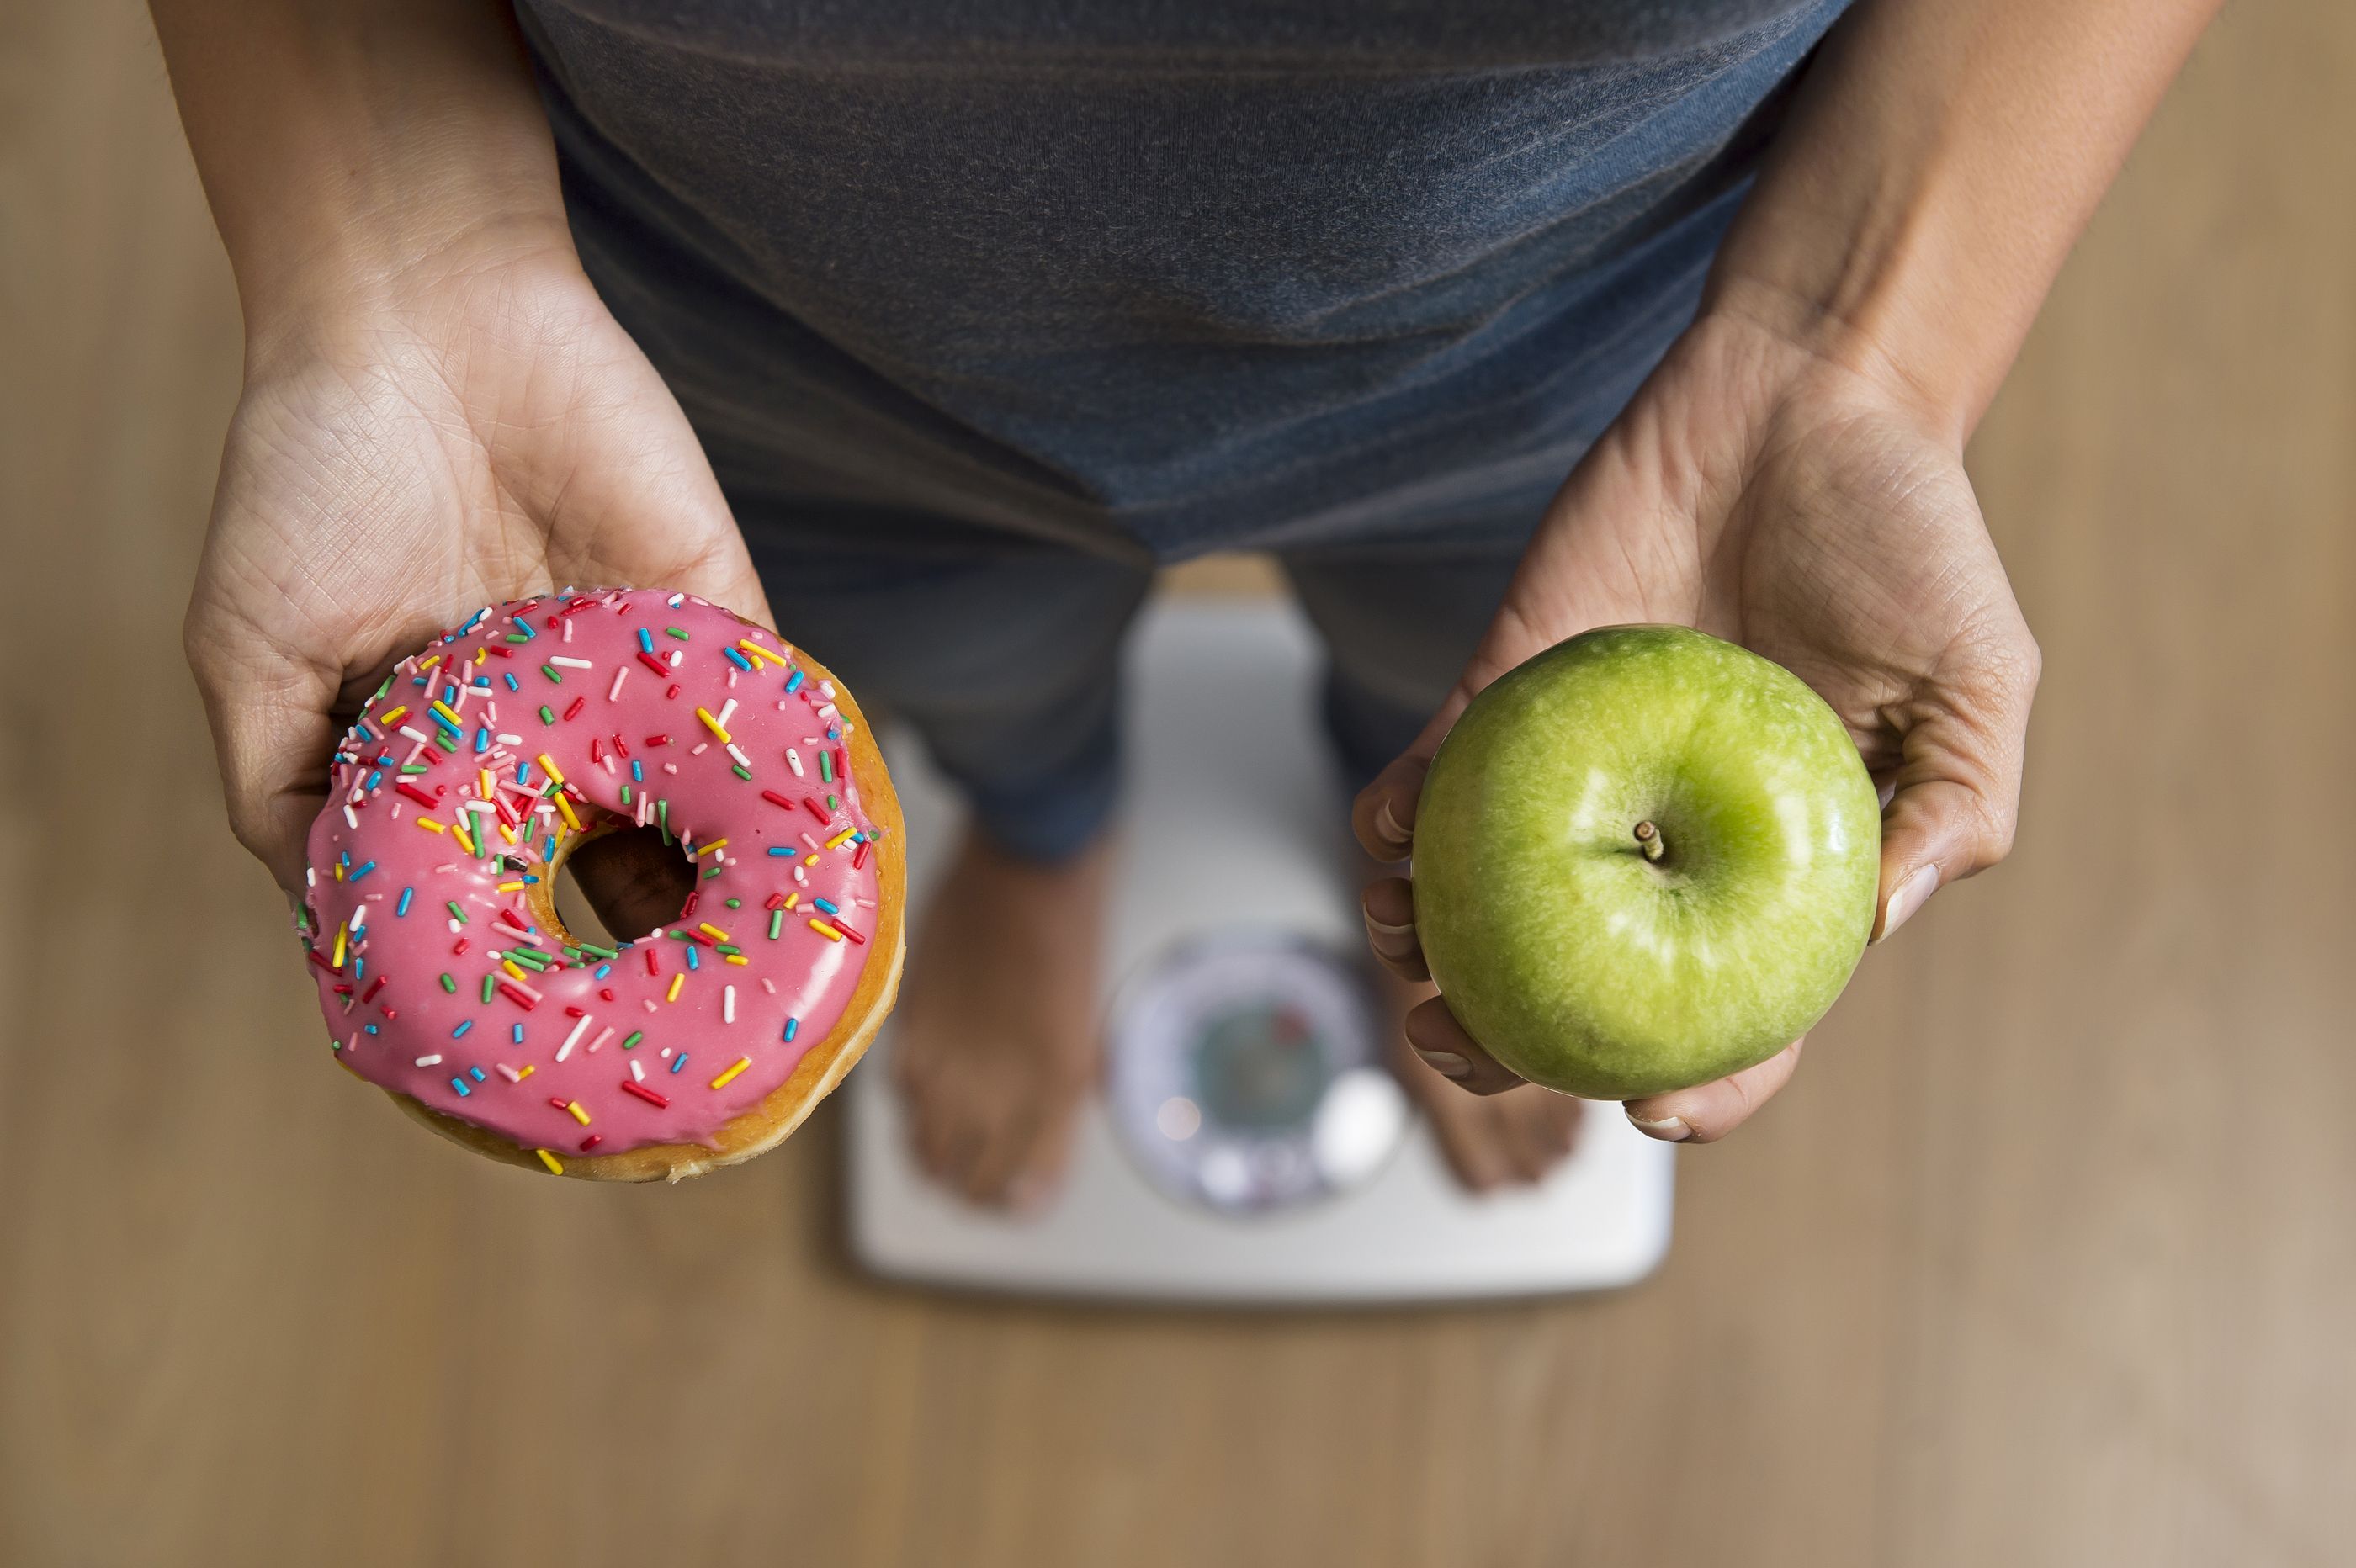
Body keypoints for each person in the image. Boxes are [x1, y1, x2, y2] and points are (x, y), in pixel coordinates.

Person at [155, 0, 2215, 1207]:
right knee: (955, 667)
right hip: (697, 361)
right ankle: (1042, 836)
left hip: (1616, 371)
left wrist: (1852, 346)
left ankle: (1409, 862)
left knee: (1462, 706)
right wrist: (390, 264)